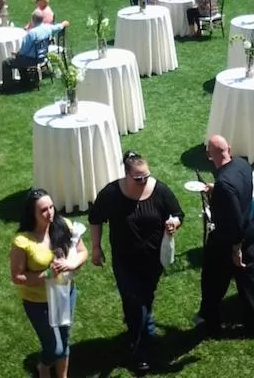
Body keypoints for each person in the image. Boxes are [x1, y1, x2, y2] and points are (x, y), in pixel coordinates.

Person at [89, 151, 184, 372]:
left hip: (153, 261)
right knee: (135, 301)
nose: (143, 181)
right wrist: (96, 248)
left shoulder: (159, 190)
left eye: (146, 176)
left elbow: (178, 213)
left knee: (145, 299)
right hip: (125, 261)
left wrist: (174, 223)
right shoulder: (112, 193)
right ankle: (141, 354)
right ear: (126, 174)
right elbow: (95, 218)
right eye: (138, 178)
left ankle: (137, 328)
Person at [10, 189, 88, 378]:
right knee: (54, 347)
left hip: (65, 294)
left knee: (65, 339)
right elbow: (17, 277)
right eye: (43, 210)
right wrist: (47, 274)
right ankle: (44, 367)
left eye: (51, 207)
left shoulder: (64, 225)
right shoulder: (22, 241)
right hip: (38, 302)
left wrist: (70, 264)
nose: (50, 213)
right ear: (32, 214)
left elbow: (83, 252)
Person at [197, 135, 254, 339]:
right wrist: (216, 190)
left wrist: (236, 250)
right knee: (248, 283)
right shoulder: (242, 165)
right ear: (229, 149)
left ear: (210, 155)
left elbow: (233, 219)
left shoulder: (224, 183)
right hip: (249, 232)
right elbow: (240, 193)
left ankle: (211, 321)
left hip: (229, 241)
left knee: (212, 280)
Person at [2, 13, 69, 87]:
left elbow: (24, 50)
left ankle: (7, 86)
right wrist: (63, 24)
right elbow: (58, 27)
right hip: (43, 57)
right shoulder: (48, 28)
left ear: (33, 20)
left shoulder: (32, 33)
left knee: (6, 63)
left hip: (31, 59)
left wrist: (17, 53)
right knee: (19, 58)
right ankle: (25, 80)